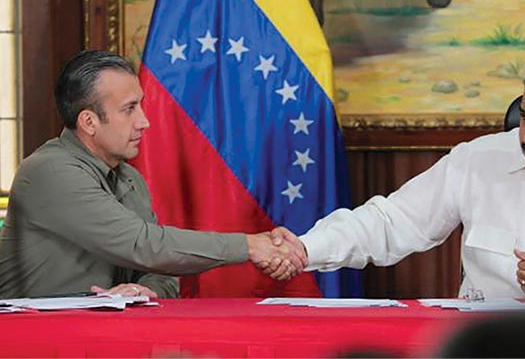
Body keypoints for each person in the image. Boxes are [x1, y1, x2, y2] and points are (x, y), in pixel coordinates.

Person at [272, 53, 525, 300]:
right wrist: (308, 248)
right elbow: (390, 221)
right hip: (483, 350)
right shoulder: (479, 160)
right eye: (524, 117)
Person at [0, 50, 303, 299]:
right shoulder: (50, 171)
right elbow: (144, 244)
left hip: (107, 335)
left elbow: (159, 268)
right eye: (129, 109)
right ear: (89, 122)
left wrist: (145, 291)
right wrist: (249, 246)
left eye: (140, 105)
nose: (144, 121)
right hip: (35, 341)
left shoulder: (129, 178)